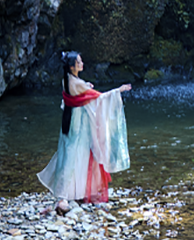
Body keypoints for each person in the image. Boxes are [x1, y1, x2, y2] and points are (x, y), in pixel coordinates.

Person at [37, 51, 132, 207]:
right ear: (72, 66)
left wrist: (86, 86)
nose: (82, 64)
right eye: (79, 62)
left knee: (67, 155)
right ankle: (64, 195)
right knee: (76, 156)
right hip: (78, 125)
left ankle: (67, 192)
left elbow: (78, 92)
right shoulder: (77, 84)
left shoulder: (67, 79)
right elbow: (100, 97)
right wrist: (118, 91)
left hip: (68, 121)